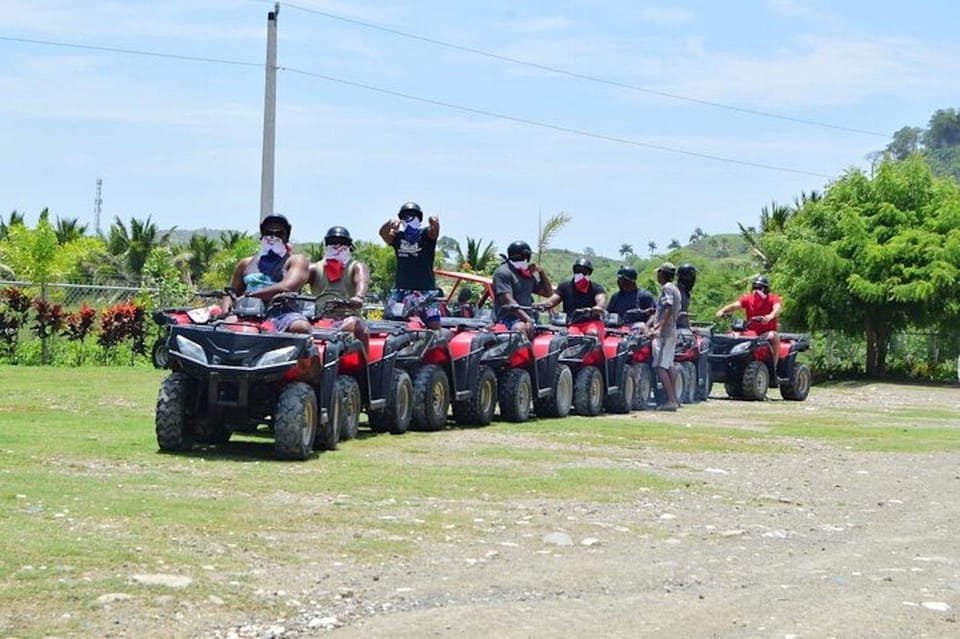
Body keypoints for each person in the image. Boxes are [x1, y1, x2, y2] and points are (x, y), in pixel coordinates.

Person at [221, 214, 312, 334]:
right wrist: (227, 309)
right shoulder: (246, 263)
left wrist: (252, 295)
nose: (272, 237)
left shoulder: (296, 260)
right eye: (268, 232)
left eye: (279, 233)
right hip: (247, 311)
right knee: (225, 327)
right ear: (262, 234)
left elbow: (288, 286)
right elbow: (231, 291)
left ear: (286, 237)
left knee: (301, 327)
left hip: (283, 313)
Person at [379, 201, 441, 329]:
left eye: (413, 215)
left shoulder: (425, 235)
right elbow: (382, 234)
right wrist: (389, 224)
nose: (409, 218)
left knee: (434, 325)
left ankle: (440, 348)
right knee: (388, 323)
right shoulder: (398, 237)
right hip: (402, 291)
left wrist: (434, 221)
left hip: (425, 291)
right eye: (405, 216)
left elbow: (434, 230)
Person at [308, 225, 370, 354]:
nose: (337, 246)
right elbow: (297, 279)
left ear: (349, 246)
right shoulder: (314, 268)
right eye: (332, 243)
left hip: (347, 316)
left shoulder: (355, 266)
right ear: (326, 245)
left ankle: (366, 369)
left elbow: (362, 279)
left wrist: (359, 296)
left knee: (360, 329)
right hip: (318, 317)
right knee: (296, 330)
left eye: (342, 243)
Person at [716, 274, 784, 380]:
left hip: (766, 333)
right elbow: (735, 305)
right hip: (751, 332)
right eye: (755, 287)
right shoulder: (748, 298)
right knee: (732, 335)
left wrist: (770, 316)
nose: (757, 290)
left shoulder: (772, 298)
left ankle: (773, 369)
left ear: (765, 288)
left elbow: (777, 309)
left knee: (774, 336)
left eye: (760, 287)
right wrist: (722, 311)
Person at [491, 240, 553, 338]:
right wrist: (528, 319)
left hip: (530, 317)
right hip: (507, 318)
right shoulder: (503, 272)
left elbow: (548, 293)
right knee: (520, 328)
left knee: (551, 335)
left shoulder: (526, 274)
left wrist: (541, 272)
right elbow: (508, 301)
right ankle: (526, 353)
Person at [649, 262, 682, 411]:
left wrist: (658, 327)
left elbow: (668, 307)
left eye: (658, 273)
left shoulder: (667, 288)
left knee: (660, 366)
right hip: (672, 331)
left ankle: (670, 401)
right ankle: (674, 398)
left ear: (662, 274)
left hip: (666, 333)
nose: (657, 276)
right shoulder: (675, 288)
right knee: (669, 366)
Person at [539, 257, 606, 318]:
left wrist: (599, 307)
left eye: (584, 271)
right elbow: (552, 301)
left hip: (591, 322)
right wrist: (540, 305)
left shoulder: (596, 288)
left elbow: (601, 300)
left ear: (589, 273)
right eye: (577, 271)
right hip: (571, 323)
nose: (580, 274)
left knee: (593, 332)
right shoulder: (564, 287)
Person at [676, 263, 697, 330]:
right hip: (674, 330)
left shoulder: (685, 292)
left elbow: (685, 313)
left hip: (684, 329)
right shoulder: (675, 291)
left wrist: (690, 327)